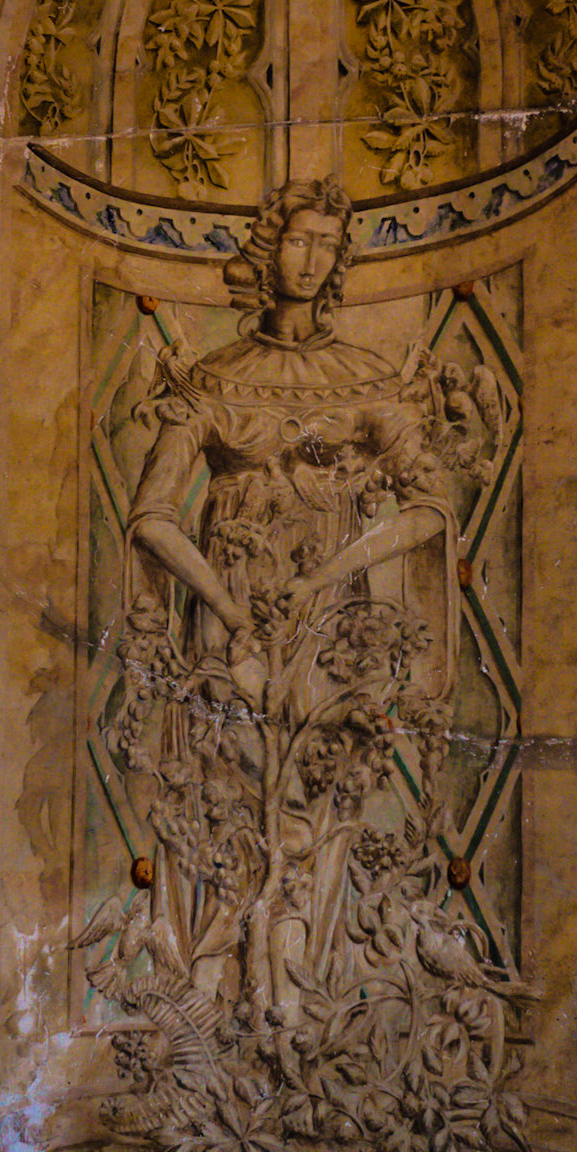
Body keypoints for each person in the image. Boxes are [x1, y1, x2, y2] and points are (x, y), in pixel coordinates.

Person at [116, 176, 459, 1019]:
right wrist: (226, 610)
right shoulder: (214, 378)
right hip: (230, 612)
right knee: (231, 795)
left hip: (334, 625)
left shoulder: (365, 378)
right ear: (267, 252)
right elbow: (153, 515)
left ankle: (306, 996)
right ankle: (226, 993)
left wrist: (334, 569)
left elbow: (431, 505)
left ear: (339, 262)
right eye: (295, 241)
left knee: (322, 799)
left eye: (324, 246)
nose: (307, 260)